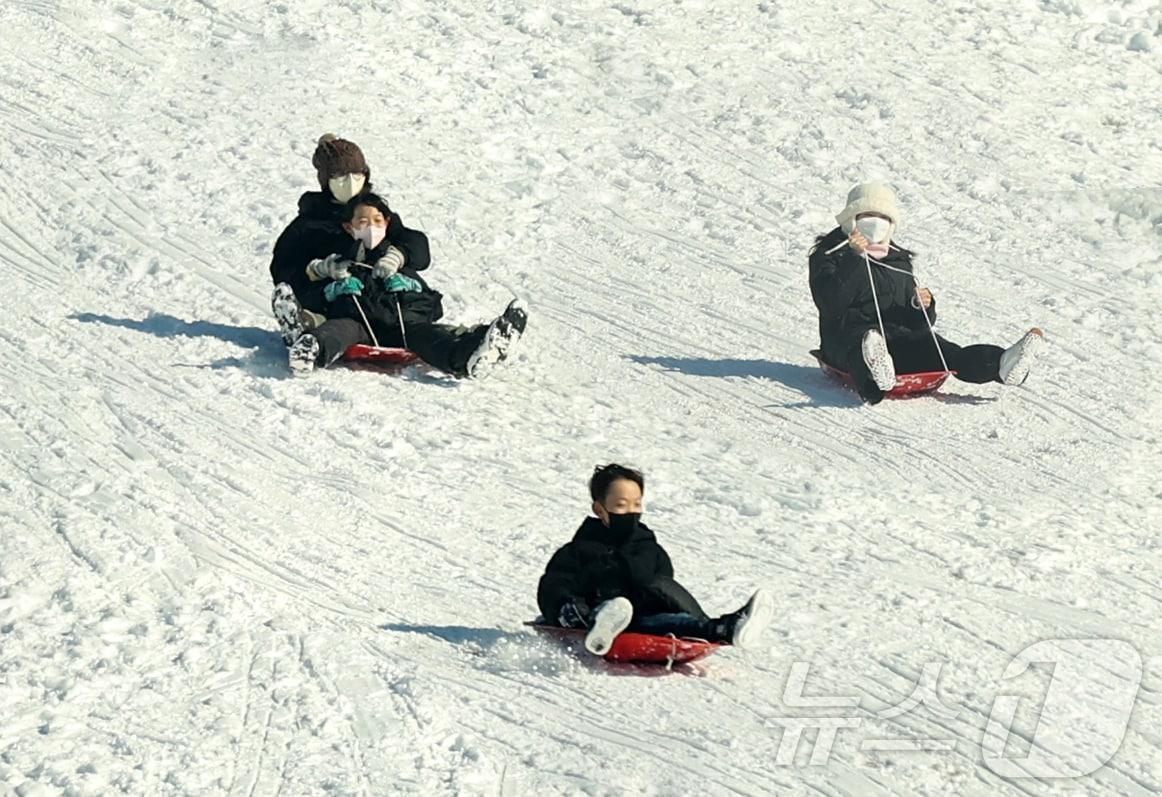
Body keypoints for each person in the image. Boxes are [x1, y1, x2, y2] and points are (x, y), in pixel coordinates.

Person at [808, 182, 1044, 404]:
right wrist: (853, 257)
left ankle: (1001, 365)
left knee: (941, 349)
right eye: (867, 216)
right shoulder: (830, 254)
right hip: (845, 337)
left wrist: (920, 305)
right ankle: (877, 374)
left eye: (883, 217)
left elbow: (916, 323)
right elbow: (830, 304)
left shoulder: (898, 259)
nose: (876, 223)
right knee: (864, 345)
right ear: (851, 218)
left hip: (896, 338)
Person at [274, 193, 527, 377]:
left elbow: (432, 306)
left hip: (401, 326)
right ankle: (309, 350)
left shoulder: (397, 261)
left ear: (386, 223)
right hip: (359, 326)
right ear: (349, 228)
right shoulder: (342, 263)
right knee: (338, 330)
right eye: (362, 222)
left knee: (429, 337)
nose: (370, 227)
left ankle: (472, 354)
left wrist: (410, 289)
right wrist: (332, 291)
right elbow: (316, 296)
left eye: (376, 221)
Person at [537, 464, 774, 656]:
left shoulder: (648, 548)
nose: (631, 511)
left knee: (674, 618)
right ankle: (601, 624)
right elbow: (554, 584)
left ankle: (726, 628)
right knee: (610, 609)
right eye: (621, 506)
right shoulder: (579, 550)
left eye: (636, 504)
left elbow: (664, 587)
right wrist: (565, 607)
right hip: (594, 615)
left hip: (643, 619)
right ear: (600, 510)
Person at [270, 134, 402, 331]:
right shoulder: (309, 223)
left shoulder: (376, 213)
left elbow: (415, 245)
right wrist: (316, 270)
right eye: (339, 176)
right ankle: (311, 321)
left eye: (357, 174)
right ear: (326, 180)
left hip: (380, 296)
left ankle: (424, 329)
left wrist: (400, 255)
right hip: (334, 297)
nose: (350, 182)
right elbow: (283, 267)